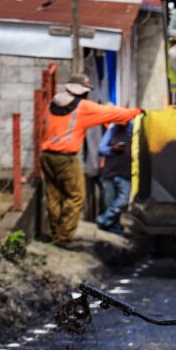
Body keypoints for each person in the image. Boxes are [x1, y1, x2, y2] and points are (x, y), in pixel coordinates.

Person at [40, 73, 142, 245]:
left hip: (47, 155)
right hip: (65, 158)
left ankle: (55, 233)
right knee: (76, 196)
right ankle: (64, 236)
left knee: (53, 196)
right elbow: (112, 113)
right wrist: (137, 112)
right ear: (83, 91)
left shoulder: (52, 104)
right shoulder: (83, 106)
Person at [96, 121, 134, 235]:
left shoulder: (134, 131)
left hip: (126, 174)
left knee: (123, 201)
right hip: (110, 173)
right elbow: (101, 149)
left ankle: (102, 220)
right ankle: (114, 228)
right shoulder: (112, 130)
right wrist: (112, 149)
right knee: (109, 202)